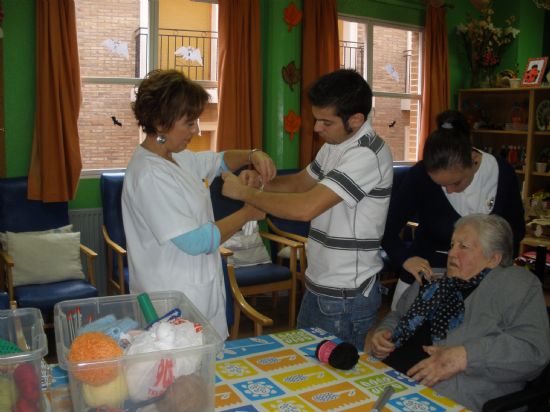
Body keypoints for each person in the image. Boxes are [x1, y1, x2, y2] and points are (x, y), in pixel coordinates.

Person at [221, 69, 393, 350]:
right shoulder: (335, 144)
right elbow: (301, 183)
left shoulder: (367, 154)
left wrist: (245, 193)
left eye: (326, 122)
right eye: (316, 119)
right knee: (306, 367)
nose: (316, 128)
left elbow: (305, 208)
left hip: (346, 295)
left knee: (336, 384)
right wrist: (262, 183)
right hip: (318, 283)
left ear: (356, 120)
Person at [121, 69, 276, 339]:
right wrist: (249, 212)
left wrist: (253, 155)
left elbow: (219, 161)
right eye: (189, 123)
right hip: (172, 301)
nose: (195, 130)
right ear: (160, 122)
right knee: (182, 376)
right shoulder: (150, 174)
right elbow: (194, 241)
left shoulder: (175, 156)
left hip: (197, 289)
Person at [367, 214, 550, 411]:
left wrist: (466, 356)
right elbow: (398, 315)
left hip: (445, 398)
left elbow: (533, 352)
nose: (452, 253)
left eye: (463, 247)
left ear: (493, 258)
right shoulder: (434, 279)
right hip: (387, 384)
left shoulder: (515, 284)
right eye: (452, 245)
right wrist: (384, 333)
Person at [382, 110, 525, 309]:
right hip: (426, 279)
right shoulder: (420, 176)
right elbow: (385, 228)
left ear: (473, 159)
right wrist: (405, 259)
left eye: (456, 183)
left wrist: (494, 265)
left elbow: (515, 231)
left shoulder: (502, 174)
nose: (449, 191)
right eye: (441, 185)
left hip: (484, 284)